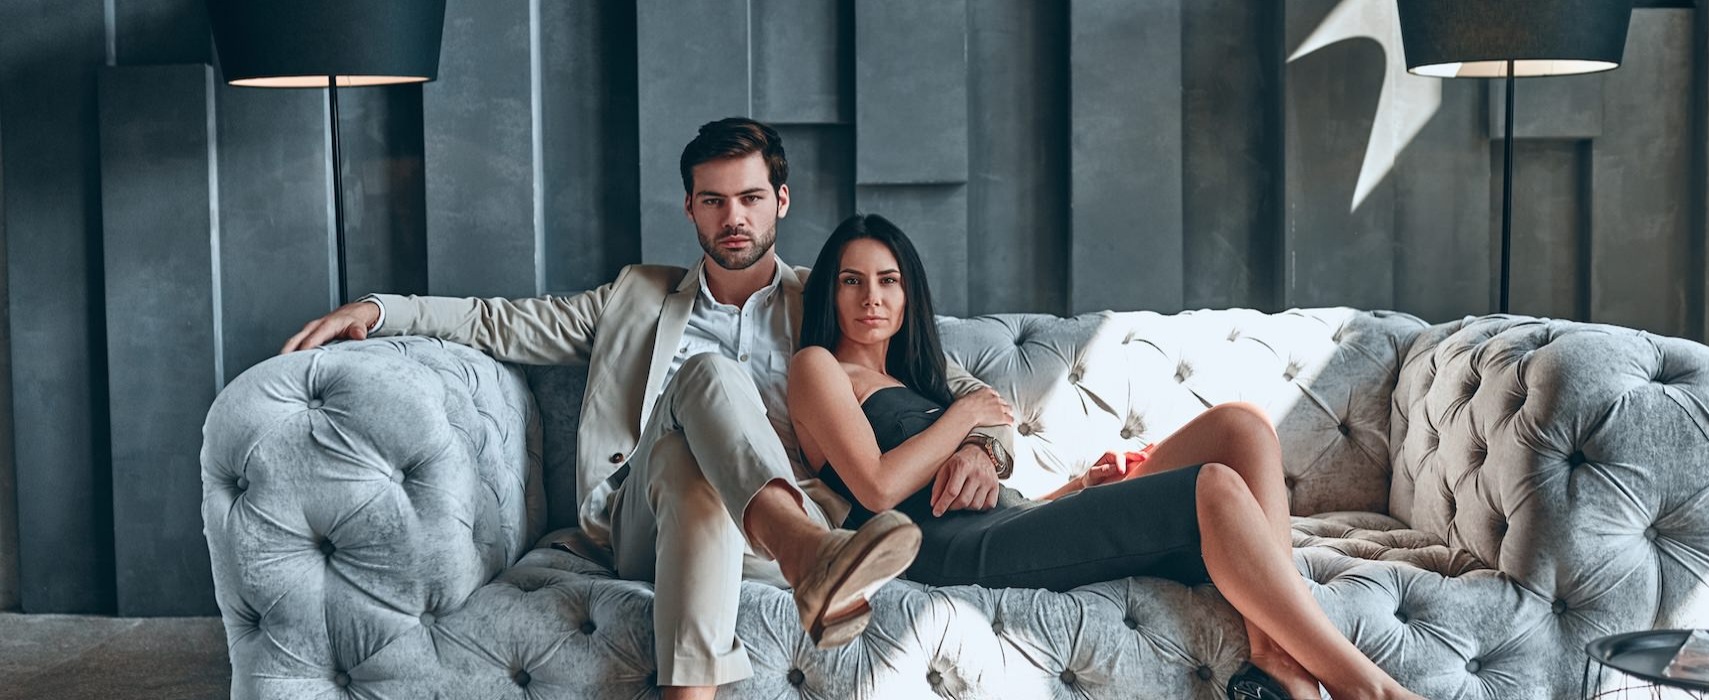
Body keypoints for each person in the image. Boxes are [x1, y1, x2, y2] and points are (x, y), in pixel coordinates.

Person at [280, 119, 1016, 700]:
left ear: (780, 203)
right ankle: (807, 554)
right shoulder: (634, 298)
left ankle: (716, 655)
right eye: (714, 200)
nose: (734, 217)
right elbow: (496, 320)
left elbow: (945, 385)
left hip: (754, 538)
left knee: (694, 469)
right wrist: (381, 308)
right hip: (637, 524)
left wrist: (984, 452)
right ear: (689, 207)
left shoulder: (828, 297)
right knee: (705, 376)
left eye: (751, 198)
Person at [786, 214, 1427, 700]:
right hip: (944, 555)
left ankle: (1276, 663)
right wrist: (965, 418)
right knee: (1213, 487)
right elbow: (875, 488)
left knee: (1243, 429)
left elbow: (997, 487)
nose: (872, 297)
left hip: (1006, 524)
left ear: (908, 295)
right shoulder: (820, 369)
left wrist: (1072, 489)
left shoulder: (923, 375)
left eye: (888, 281)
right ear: (830, 295)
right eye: (852, 281)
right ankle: (1370, 690)